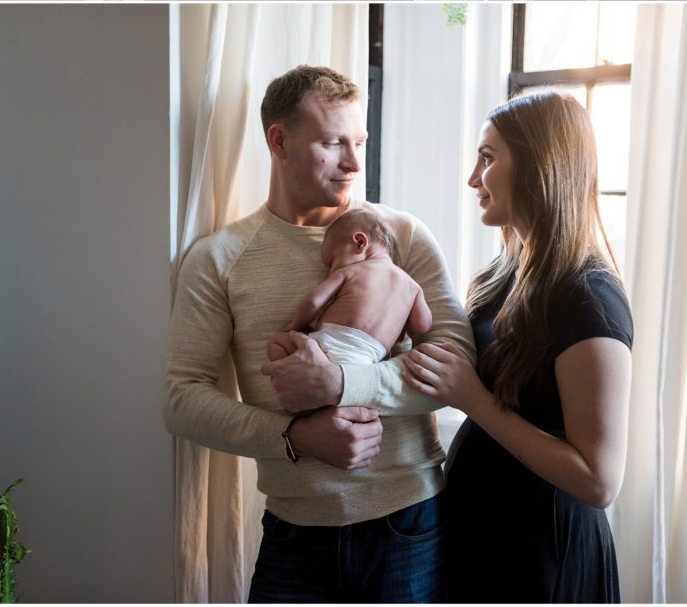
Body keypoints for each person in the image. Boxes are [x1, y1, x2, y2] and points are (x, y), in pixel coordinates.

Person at [164, 65, 475, 603]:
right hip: (293, 534)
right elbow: (182, 399)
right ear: (279, 141)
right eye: (334, 143)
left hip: (409, 524)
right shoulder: (218, 259)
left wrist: (339, 384)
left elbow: (455, 364)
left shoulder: (400, 237)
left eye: (360, 142)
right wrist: (293, 438)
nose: (355, 163)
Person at [401, 90, 633, 603]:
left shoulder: (588, 297)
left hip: (541, 552)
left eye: (487, 158)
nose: (472, 179)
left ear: (538, 165)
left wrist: (473, 401)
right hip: (482, 536)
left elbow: (599, 480)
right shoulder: (500, 277)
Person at [267, 206, 432, 366]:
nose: (331, 270)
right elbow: (422, 325)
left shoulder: (352, 270)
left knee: (278, 343)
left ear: (360, 243)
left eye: (332, 261)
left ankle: (292, 378)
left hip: (326, 349)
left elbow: (313, 302)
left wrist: (296, 326)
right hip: (366, 364)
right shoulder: (413, 287)